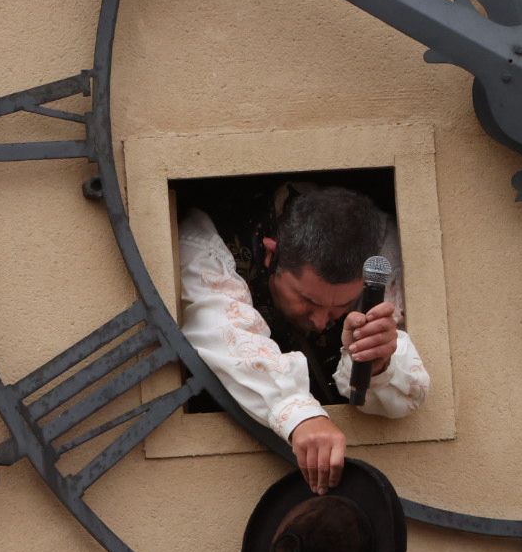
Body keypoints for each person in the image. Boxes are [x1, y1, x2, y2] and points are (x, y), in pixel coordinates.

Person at [177, 184, 430, 497]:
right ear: (271, 254)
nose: (321, 321)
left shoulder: (384, 249)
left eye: (341, 305)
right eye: (307, 300)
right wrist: (298, 413)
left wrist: (378, 365)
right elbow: (223, 330)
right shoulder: (208, 241)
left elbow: (404, 382)